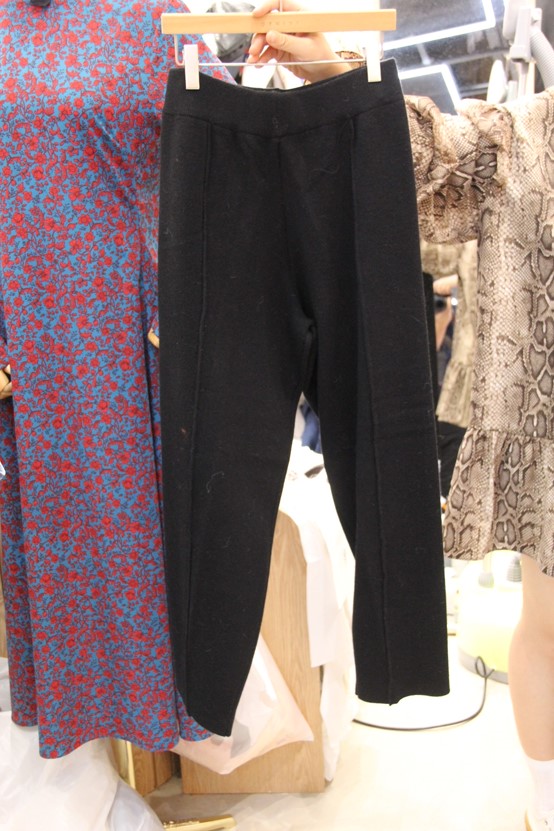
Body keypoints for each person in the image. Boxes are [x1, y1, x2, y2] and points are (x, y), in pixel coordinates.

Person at [247, 3, 554, 830]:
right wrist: (332, 67)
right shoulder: (530, 134)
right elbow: (425, 150)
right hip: (548, 429)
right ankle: (547, 803)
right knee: (550, 625)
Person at [0, 0, 232, 759]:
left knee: (139, 533)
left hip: (128, 325)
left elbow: (233, 139)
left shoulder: (150, 15)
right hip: (27, 331)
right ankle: (89, 742)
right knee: (55, 532)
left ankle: (156, 720)